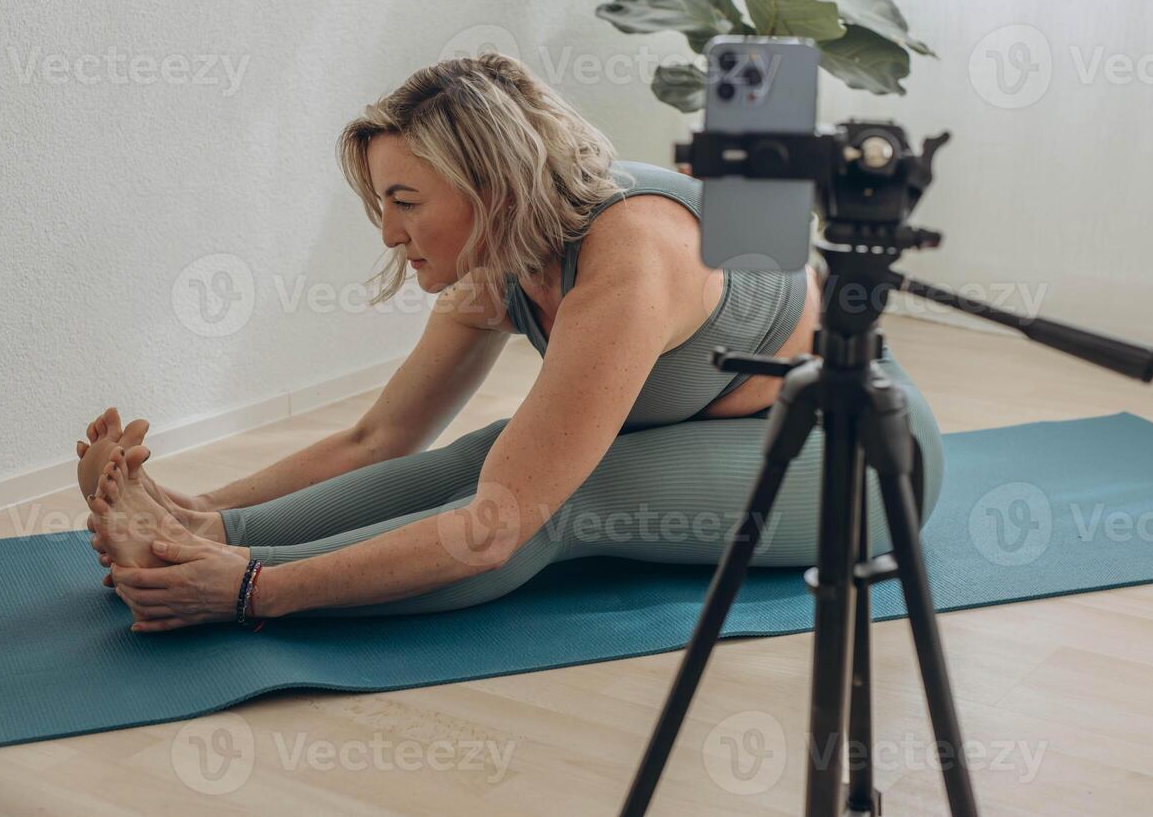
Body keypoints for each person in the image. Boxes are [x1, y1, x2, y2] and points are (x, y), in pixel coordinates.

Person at [76, 52, 944, 633]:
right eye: (380, 202)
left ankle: (220, 573)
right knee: (494, 457)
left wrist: (253, 590)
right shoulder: (503, 256)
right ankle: (204, 538)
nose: (386, 232)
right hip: (727, 430)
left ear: (491, 186)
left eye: (405, 202)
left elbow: (495, 531)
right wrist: (198, 512)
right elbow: (379, 438)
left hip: (858, 457)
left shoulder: (630, 260)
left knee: (547, 502)